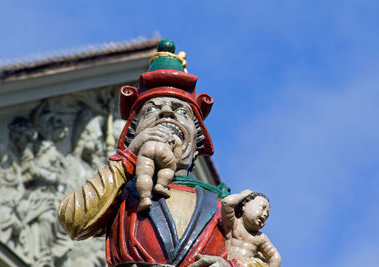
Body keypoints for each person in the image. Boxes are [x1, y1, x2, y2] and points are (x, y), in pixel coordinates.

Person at [58, 40, 233, 267]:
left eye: (181, 111)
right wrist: (128, 158)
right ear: (134, 133)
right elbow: (73, 219)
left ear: (197, 138)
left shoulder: (224, 204)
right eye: (152, 110)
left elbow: (257, 256)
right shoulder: (121, 193)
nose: (167, 113)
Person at [222, 190, 281, 267]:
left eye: (267, 215)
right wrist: (244, 195)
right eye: (262, 208)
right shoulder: (234, 224)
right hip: (226, 263)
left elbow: (275, 257)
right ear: (244, 206)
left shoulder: (260, 237)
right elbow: (227, 203)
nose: (265, 214)